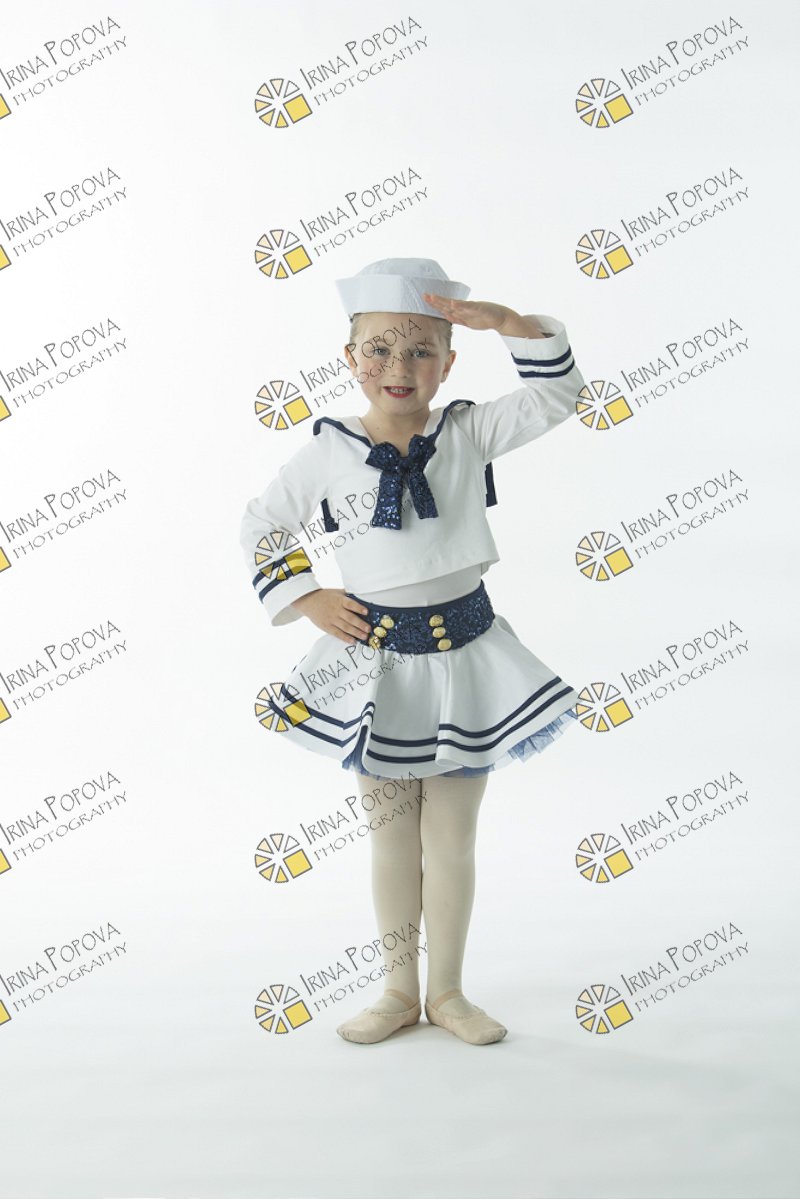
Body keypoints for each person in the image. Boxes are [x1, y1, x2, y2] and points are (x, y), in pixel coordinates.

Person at [240, 257, 587, 1046]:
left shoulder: (469, 430)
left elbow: (559, 396)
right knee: (390, 835)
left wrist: (512, 325)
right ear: (349, 358)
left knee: (452, 837)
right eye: (380, 349)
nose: (399, 366)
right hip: (377, 670)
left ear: (448, 362)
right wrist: (307, 596)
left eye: (421, 349)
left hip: (467, 662)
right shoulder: (328, 450)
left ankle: (449, 991)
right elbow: (261, 521)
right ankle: (397, 989)